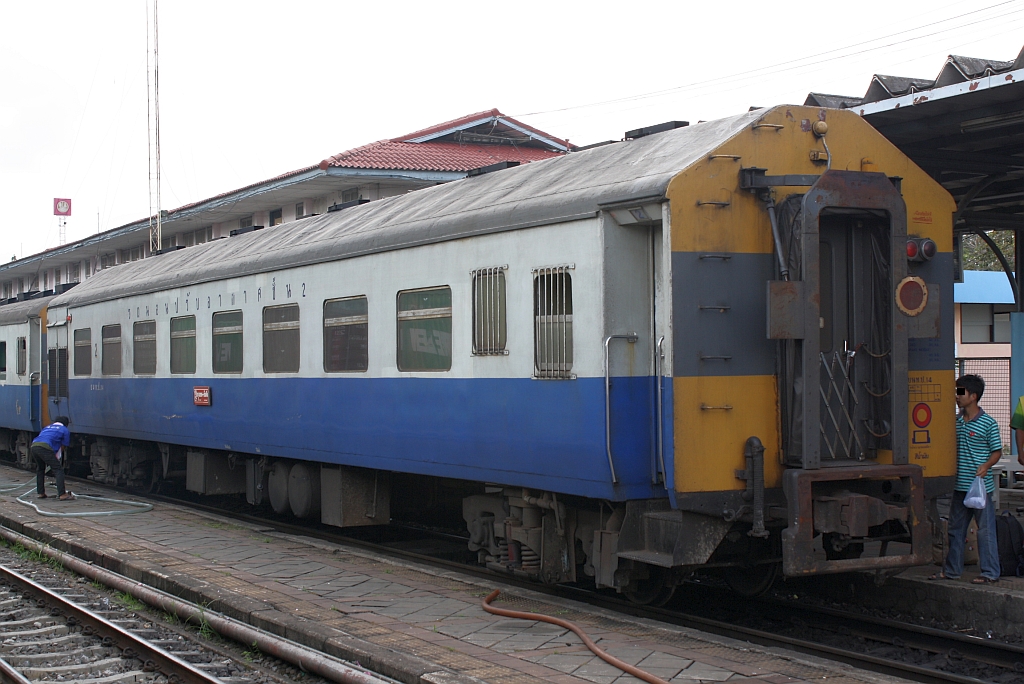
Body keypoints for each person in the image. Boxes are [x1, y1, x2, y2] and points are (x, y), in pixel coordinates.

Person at [932, 375, 1002, 583]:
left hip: (981, 488)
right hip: (959, 486)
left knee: (985, 531)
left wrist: (986, 466)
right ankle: (952, 571)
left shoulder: (988, 423)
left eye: (960, 392)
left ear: (973, 396)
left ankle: (990, 573)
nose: (956, 396)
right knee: (955, 530)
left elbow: (996, 451)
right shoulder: (956, 423)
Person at [31, 416, 74, 501]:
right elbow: (63, 446)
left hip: (34, 446)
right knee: (58, 469)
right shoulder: (64, 430)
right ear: (66, 424)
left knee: (40, 469)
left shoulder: (47, 427)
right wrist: (57, 456)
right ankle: (62, 494)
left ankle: (41, 493)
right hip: (45, 447)